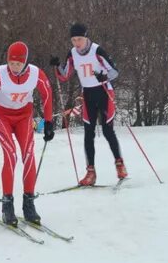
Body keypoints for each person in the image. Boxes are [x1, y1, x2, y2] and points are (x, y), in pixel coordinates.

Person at [0, 41, 54, 226]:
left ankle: (29, 204)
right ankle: (7, 204)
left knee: (28, 154)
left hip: (24, 116)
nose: (14, 67)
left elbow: (47, 94)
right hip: (1, 115)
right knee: (11, 155)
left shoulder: (36, 74)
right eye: (11, 63)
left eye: (18, 64)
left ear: (25, 62)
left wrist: (49, 121)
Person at [52, 23, 127, 185]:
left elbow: (114, 71)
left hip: (104, 92)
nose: (76, 43)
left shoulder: (97, 50)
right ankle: (90, 172)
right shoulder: (72, 53)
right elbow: (65, 75)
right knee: (88, 134)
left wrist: (103, 76)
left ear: (86, 37)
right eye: (73, 40)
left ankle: (119, 164)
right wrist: (57, 65)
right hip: (88, 95)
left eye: (79, 39)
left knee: (108, 131)